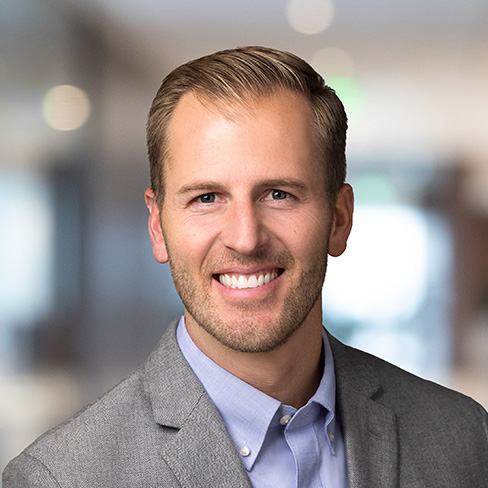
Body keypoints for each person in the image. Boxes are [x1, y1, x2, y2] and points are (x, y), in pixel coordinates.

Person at [3, 46, 488, 488]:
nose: (245, 237)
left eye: (279, 194)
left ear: (339, 219)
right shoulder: (60, 478)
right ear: (157, 227)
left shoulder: (461, 438)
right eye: (207, 197)